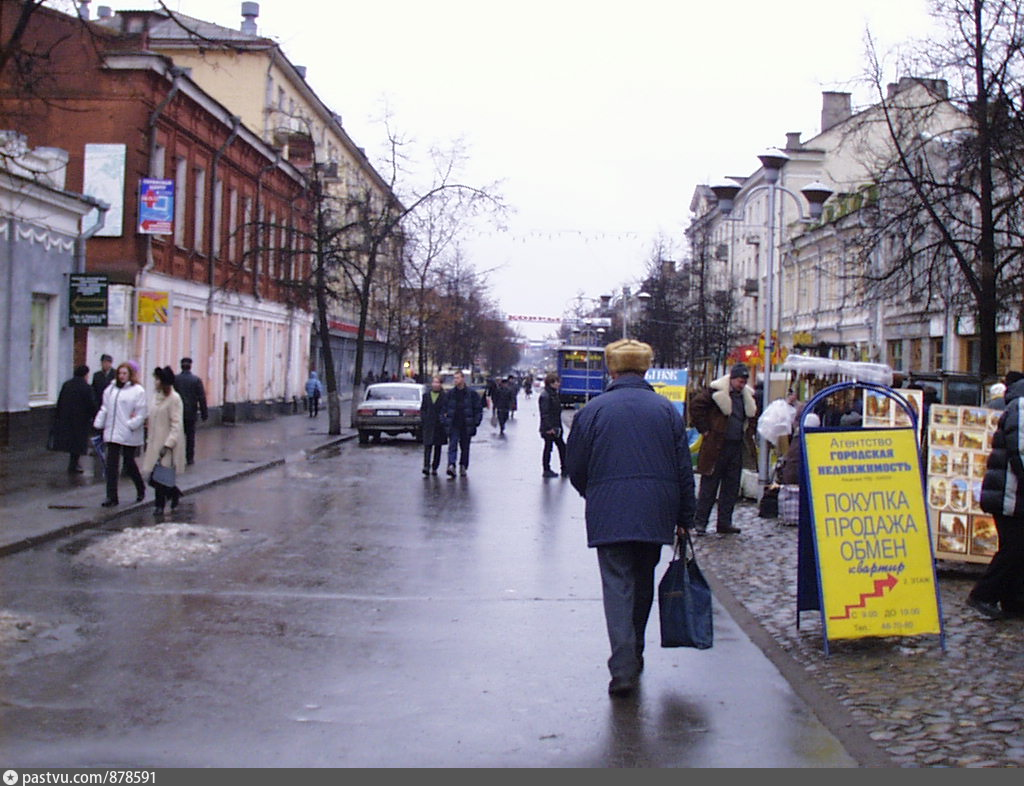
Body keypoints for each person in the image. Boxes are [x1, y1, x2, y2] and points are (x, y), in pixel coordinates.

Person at [565, 339, 696, 698]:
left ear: (612, 369)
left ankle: (623, 665)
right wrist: (685, 516)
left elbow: (575, 465)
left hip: (609, 511)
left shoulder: (593, 411)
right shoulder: (666, 410)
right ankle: (635, 652)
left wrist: (595, 493)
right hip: (656, 511)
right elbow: (683, 469)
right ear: (645, 368)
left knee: (617, 587)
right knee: (643, 582)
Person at [968, 375, 1024, 620]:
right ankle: (983, 594)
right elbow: (1019, 450)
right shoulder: (1021, 406)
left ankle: (1013, 601)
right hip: (1009, 493)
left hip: (1012, 492)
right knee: (1014, 548)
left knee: (1017, 548)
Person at [688, 362, 758, 535]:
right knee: (709, 487)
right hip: (716, 445)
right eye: (740, 381)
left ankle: (724, 522)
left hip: (736, 445)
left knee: (731, 487)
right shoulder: (715, 392)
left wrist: (749, 432)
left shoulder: (746, 397)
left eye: (744, 382)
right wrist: (705, 429)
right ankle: (700, 522)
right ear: (732, 379)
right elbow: (696, 406)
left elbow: (751, 417)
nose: (742, 385)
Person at [93, 361, 147, 507]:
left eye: (125, 373)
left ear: (130, 374)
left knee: (129, 462)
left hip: (129, 433)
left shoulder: (137, 391)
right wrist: (99, 423)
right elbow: (105, 408)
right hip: (112, 432)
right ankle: (111, 497)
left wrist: (131, 424)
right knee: (111, 465)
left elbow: (141, 412)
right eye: (120, 373)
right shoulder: (111, 389)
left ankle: (140, 487)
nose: (122, 376)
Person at [143, 366, 186, 515]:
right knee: (154, 476)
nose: (155, 382)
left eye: (158, 380)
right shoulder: (156, 397)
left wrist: (169, 443)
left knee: (160, 476)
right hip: (154, 442)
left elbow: (176, 424)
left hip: (167, 444)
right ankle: (174, 493)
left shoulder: (174, 399)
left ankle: (159, 505)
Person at [52, 365, 97, 473]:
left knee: (71, 441)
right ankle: (74, 464)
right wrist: (95, 416)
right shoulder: (86, 387)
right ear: (85, 375)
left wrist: (58, 416)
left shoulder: (67, 385)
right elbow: (91, 404)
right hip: (81, 420)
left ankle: (73, 463)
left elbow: (60, 401)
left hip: (67, 418)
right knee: (78, 443)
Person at [441, 370, 483, 477]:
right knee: (452, 445)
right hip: (453, 424)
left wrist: (476, 422)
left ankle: (463, 465)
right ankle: (451, 465)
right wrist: (444, 420)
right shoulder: (450, 394)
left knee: (465, 447)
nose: (455, 380)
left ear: (463, 379)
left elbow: (478, 409)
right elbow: (443, 408)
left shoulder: (471, 394)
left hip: (466, 424)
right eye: (454, 378)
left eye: (457, 378)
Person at [173, 357, 208, 465]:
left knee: (177, 435)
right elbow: (201, 397)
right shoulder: (196, 380)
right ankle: (189, 458)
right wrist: (204, 413)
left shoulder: (175, 379)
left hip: (177, 412)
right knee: (190, 436)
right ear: (190, 366)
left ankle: (176, 456)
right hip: (191, 412)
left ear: (181, 366)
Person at [538, 371, 566, 478]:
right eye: (557, 382)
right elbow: (544, 413)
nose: (559, 384)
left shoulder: (553, 394)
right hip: (550, 428)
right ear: (551, 383)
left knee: (560, 447)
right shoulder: (546, 396)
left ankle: (563, 468)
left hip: (555, 426)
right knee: (550, 448)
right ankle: (547, 469)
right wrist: (549, 428)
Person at [420, 375, 448, 476]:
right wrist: (424, 418)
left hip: (439, 425)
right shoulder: (426, 395)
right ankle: (426, 466)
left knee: (437, 447)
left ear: (441, 384)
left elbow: (446, 409)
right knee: (427, 446)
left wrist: (443, 419)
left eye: (437, 382)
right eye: (434, 382)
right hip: (428, 424)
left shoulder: (444, 396)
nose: (435, 384)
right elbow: (423, 409)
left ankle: (435, 466)